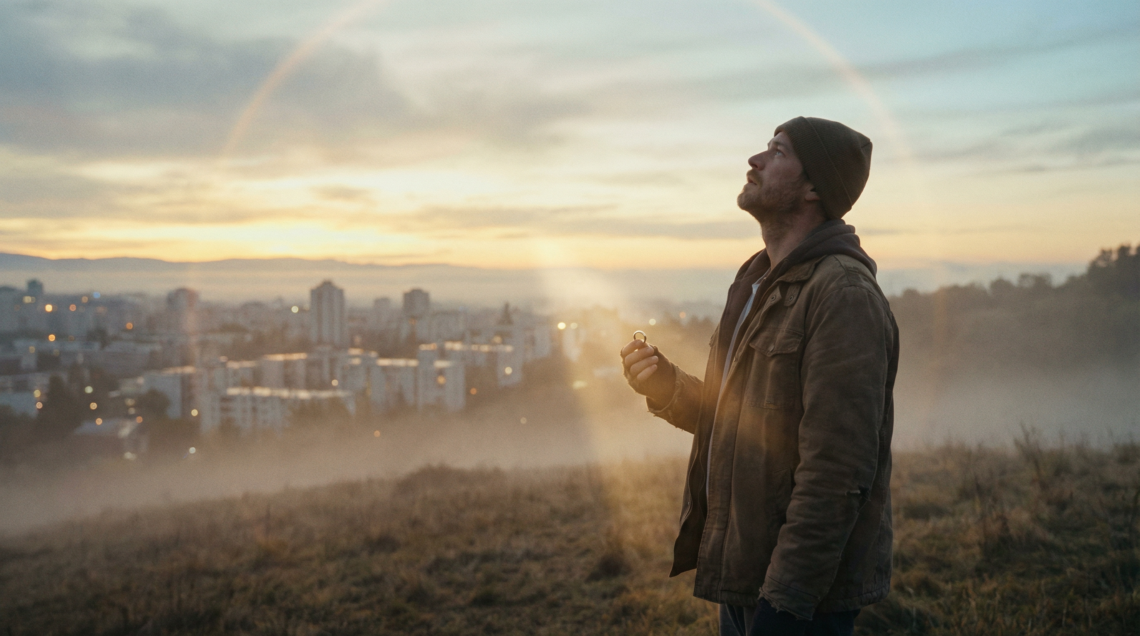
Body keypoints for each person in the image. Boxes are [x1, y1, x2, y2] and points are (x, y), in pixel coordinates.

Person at [620, 117, 899, 636]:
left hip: (800, 598)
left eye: (777, 151)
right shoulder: (755, 282)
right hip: (749, 578)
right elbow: (745, 423)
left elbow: (837, 472)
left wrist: (786, 602)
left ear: (815, 187)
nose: (756, 160)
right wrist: (667, 387)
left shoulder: (843, 296)